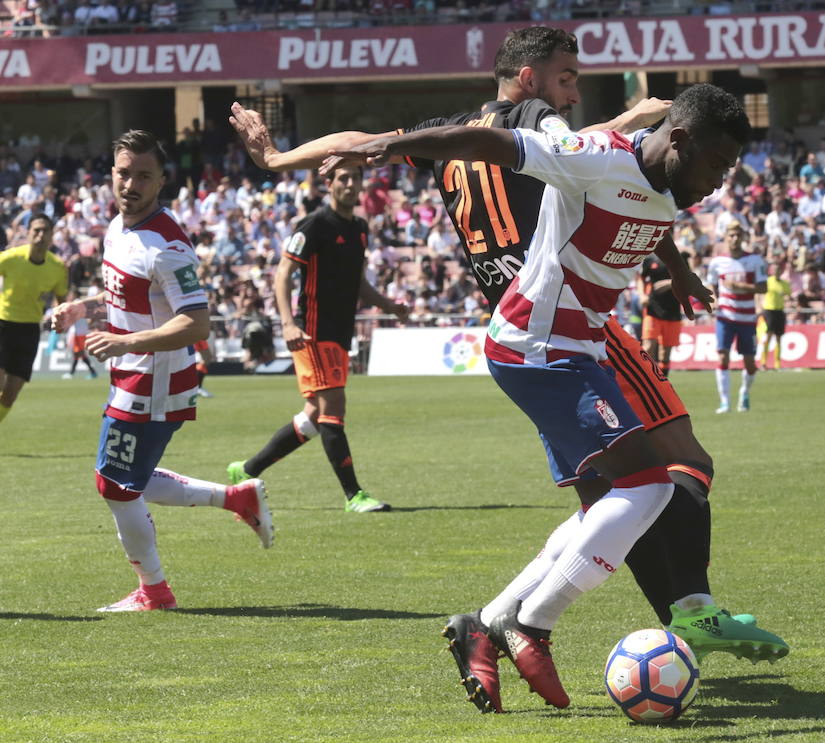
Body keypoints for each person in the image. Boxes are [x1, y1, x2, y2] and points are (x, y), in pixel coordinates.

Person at [229, 31, 787, 711]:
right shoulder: (546, 128)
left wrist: (299, 153)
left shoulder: (620, 163)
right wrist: (370, 148)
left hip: (557, 333)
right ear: (528, 78)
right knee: (671, 477)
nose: (574, 92)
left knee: (612, 500)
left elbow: (641, 188)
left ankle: (488, 624)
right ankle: (646, 611)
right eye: (566, 78)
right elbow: (587, 151)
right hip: (553, 335)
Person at [51, 130, 274, 613]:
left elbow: (196, 322)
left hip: (153, 380)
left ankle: (154, 591)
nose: (131, 184)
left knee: (113, 484)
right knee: (130, 476)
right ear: (111, 173)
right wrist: (81, 308)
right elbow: (126, 297)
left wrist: (125, 341)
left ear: (161, 181)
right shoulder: (118, 228)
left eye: (143, 176)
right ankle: (237, 499)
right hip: (131, 372)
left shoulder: (168, 245)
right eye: (123, 173)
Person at [226, 165, 409, 513]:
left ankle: (246, 470)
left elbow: (357, 283)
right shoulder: (314, 225)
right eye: (343, 178)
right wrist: (287, 323)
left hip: (339, 333)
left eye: (356, 178)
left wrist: (389, 306)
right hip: (313, 331)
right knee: (333, 411)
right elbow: (283, 274)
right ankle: (354, 495)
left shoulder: (359, 229)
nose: (351, 184)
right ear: (329, 184)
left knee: (312, 417)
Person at [0, 214, 68, 424]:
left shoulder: (58, 268)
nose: (40, 235)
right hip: (3, 324)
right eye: (36, 230)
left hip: (29, 331)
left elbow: (62, 300)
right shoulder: (10, 258)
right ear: (28, 233)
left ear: (51, 236)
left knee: (10, 395)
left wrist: (61, 316)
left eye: (45, 230)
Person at [707, 221, 767, 413]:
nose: (734, 238)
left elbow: (763, 287)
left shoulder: (755, 260)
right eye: (731, 235)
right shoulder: (717, 263)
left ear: (743, 237)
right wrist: (714, 299)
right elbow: (710, 285)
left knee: (749, 362)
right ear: (726, 238)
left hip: (747, 319)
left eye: (737, 235)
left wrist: (739, 287)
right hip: (725, 317)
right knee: (723, 357)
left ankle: (745, 392)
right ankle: (724, 402)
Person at [638, 254, 682, 377]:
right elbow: (640, 278)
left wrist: (669, 283)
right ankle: (646, 379)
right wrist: (642, 295)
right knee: (648, 347)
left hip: (673, 310)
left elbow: (686, 278)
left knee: (665, 354)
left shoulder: (679, 259)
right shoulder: (649, 260)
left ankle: (662, 384)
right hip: (652, 309)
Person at [759, 258, 792, 371]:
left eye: (778, 269)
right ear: (771, 271)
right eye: (775, 269)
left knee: (778, 338)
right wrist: (759, 306)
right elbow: (758, 294)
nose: (777, 271)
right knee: (768, 336)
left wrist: (787, 298)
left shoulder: (785, 284)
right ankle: (763, 362)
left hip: (779, 311)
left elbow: (789, 295)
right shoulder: (768, 281)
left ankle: (777, 364)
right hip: (769, 310)